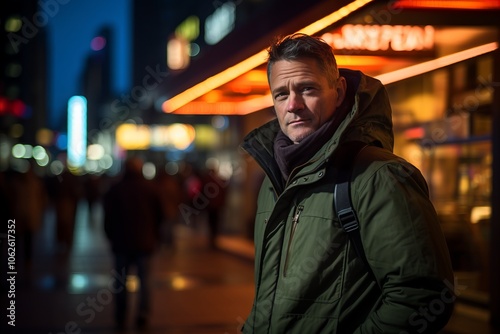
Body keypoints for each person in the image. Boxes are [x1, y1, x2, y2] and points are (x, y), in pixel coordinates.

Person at [240, 33, 455, 333]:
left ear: (339, 91)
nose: (293, 105)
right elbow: (268, 299)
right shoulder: (274, 180)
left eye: (307, 89)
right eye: (281, 94)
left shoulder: (380, 176)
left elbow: (422, 296)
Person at [103, 157, 164, 330]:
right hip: (145, 243)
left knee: (120, 282)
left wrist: (110, 235)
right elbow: (160, 216)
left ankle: (121, 316)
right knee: (145, 282)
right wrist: (155, 235)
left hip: (121, 243)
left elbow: (108, 217)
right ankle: (143, 315)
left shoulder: (116, 189)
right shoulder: (151, 189)